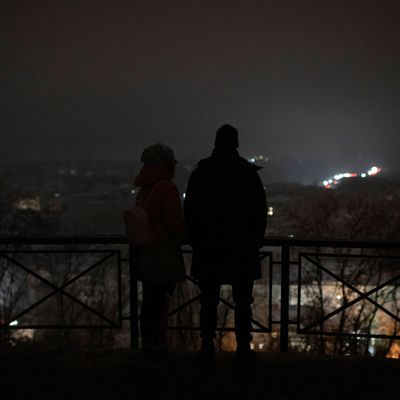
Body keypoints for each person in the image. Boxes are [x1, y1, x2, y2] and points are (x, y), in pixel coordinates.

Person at [183, 124, 267, 365]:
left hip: (209, 249)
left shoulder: (202, 173)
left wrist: (198, 242)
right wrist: (254, 242)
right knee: (243, 302)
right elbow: (259, 212)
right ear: (236, 143)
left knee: (208, 301)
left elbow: (190, 213)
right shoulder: (248, 174)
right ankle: (242, 348)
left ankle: (207, 347)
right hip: (241, 249)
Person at [133, 143, 186, 354]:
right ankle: (159, 343)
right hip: (164, 255)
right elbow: (174, 225)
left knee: (148, 300)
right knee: (162, 300)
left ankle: (148, 341)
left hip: (145, 252)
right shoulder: (167, 189)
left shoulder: (144, 190)